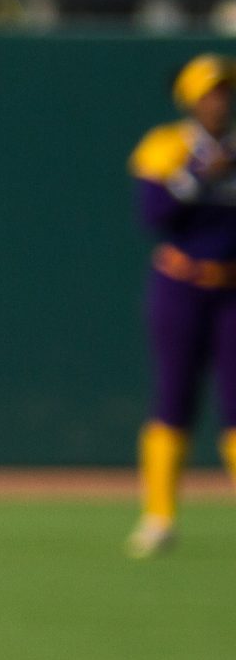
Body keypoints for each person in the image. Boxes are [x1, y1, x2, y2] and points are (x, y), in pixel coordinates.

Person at [127, 53, 236, 558]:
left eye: (225, 91)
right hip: (180, 283)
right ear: (190, 100)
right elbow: (154, 214)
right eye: (210, 91)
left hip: (231, 288)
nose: (220, 100)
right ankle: (159, 517)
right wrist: (197, 176)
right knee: (174, 398)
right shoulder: (166, 147)